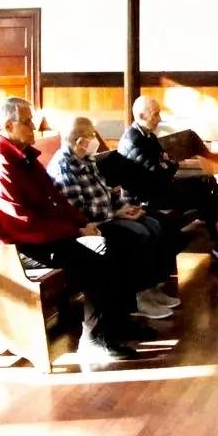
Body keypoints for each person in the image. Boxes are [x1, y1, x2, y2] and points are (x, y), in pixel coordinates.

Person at [0, 97, 151, 362]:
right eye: (27, 122)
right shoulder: (1, 165)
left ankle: (118, 321)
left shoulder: (26, 158)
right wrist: (75, 232)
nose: (33, 127)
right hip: (23, 247)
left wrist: (81, 223)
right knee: (97, 259)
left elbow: (55, 201)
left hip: (48, 237)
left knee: (118, 243)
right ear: (9, 126)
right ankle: (94, 338)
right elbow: (24, 223)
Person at [48, 115, 181, 321]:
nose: (95, 139)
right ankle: (137, 298)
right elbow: (80, 211)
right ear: (79, 142)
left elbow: (105, 191)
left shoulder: (86, 158)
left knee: (154, 224)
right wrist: (116, 214)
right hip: (91, 225)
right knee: (139, 234)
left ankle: (151, 288)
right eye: (91, 136)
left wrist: (125, 207)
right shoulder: (63, 167)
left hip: (107, 214)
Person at [115, 95, 218, 271]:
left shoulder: (147, 135)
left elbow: (168, 164)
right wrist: (167, 164)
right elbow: (159, 170)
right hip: (147, 198)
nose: (160, 119)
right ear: (142, 116)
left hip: (160, 188)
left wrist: (167, 164)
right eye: (155, 114)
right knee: (206, 194)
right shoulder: (134, 140)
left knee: (207, 182)